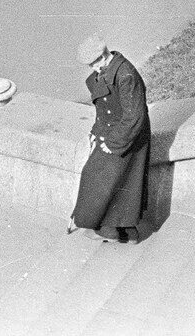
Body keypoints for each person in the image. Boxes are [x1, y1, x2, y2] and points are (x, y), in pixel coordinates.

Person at [67, 35, 150, 243]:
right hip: (117, 131)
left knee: (102, 177)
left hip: (127, 135)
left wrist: (110, 144)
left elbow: (134, 116)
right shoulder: (109, 71)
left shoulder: (126, 75)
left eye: (95, 63)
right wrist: (96, 133)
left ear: (105, 56)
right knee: (123, 182)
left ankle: (109, 230)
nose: (94, 69)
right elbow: (104, 110)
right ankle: (125, 232)